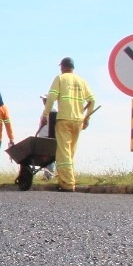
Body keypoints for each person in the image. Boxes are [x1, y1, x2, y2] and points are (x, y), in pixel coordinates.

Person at [40, 57, 95, 192]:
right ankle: (62, 178)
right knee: (70, 153)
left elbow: (51, 97)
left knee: (63, 152)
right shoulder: (81, 81)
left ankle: (68, 183)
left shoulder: (60, 78)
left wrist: (45, 114)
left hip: (64, 119)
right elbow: (92, 100)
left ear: (63, 67)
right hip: (78, 121)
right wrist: (86, 118)